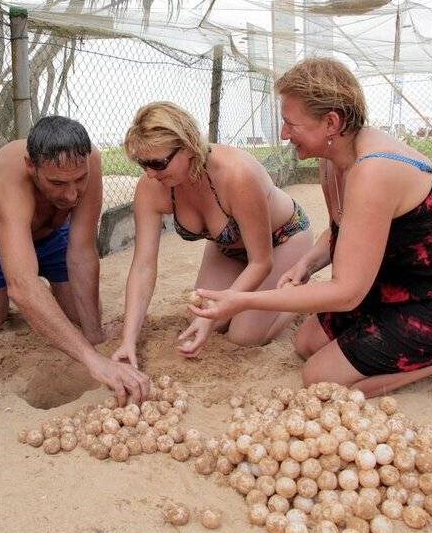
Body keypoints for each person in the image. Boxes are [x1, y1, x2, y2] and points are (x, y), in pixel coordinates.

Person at [190, 57, 432, 398]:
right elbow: (341, 228)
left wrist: (244, 300)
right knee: (305, 342)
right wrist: (307, 263)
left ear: (331, 122)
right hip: (398, 278)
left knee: (320, 378)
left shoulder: (373, 171)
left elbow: (347, 292)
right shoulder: (333, 157)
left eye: (291, 123)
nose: (283, 133)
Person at [0, 116, 149, 405]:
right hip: (0, 228)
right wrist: (93, 360)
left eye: (79, 179)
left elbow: (83, 251)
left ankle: (47, 300)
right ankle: (27, 282)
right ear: (31, 167)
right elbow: (22, 285)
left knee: (81, 315)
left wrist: (93, 335)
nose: (72, 193)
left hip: (54, 229)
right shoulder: (10, 176)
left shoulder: (91, 160)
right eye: (57, 183)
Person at [111, 101, 314, 368]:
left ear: (188, 146)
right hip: (228, 247)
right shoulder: (151, 186)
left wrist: (213, 314)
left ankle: (297, 294)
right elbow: (143, 266)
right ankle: (259, 301)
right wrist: (128, 340)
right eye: (142, 164)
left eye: (158, 163)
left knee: (244, 335)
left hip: (282, 240)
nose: (149, 173)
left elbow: (261, 262)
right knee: (203, 316)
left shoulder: (236, 175)